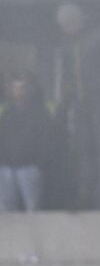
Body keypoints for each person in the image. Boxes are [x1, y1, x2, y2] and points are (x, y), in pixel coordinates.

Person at [51, 1, 100, 210]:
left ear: (80, 19)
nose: (68, 27)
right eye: (64, 24)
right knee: (84, 150)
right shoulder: (66, 45)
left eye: (71, 22)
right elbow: (66, 77)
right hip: (80, 103)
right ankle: (85, 194)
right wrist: (64, 106)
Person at [0, 74, 62, 213]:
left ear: (30, 89)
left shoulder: (41, 113)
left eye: (22, 88)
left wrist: (39, 164)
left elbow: (48, 140)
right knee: (5, 211)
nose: (18, 92)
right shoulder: (6, 113)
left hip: (29, 168)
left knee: (32, 209)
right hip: (6, 169)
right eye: (15, 88)